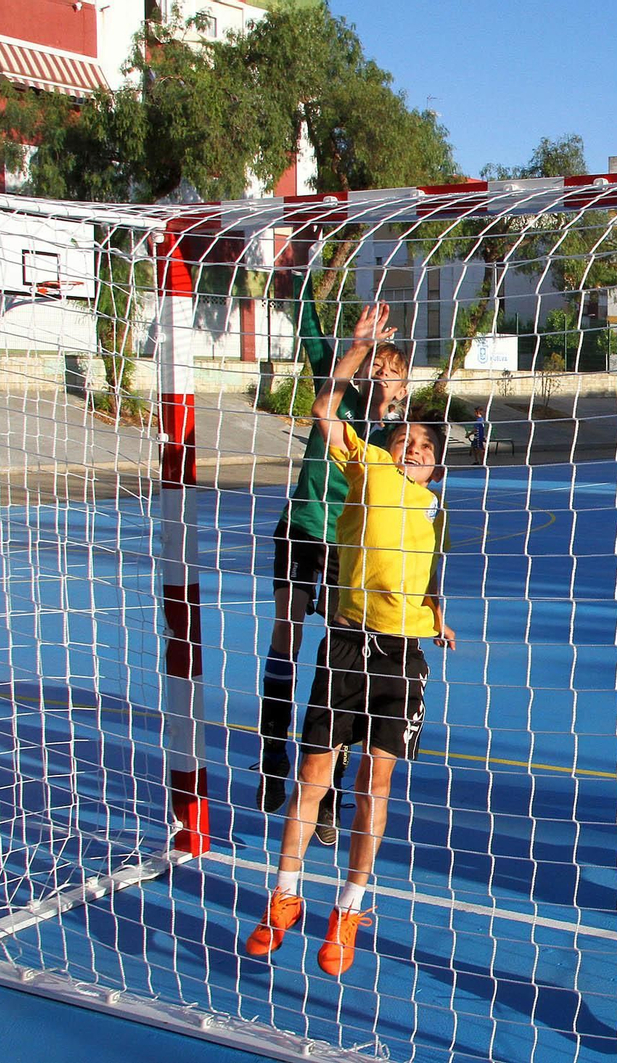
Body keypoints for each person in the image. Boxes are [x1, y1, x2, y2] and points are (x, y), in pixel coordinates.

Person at [246, 304, 455, 975]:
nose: (413, 450)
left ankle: (351, 906)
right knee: (315, 776)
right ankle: (284, 895)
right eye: (406, 442)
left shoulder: (434, 508)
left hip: (403, 656)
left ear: (437, 468)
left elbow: (425, 573)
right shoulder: (367, 465)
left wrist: (436, 613)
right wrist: (360, 348)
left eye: (425, 448)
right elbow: (324, 411)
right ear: (387, 448)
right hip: (346, 642)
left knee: (375, 785)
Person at [257, 247, 410, 849]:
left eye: (391, 375)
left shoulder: (392, 436)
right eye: (376, 369)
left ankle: (328, 795)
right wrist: (298, 264)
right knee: (286, 634)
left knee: (345, 660)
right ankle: (272, 752)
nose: (381, 380)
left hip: (350, 552)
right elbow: (305, 317)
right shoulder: (338, 389)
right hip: (302, 529)